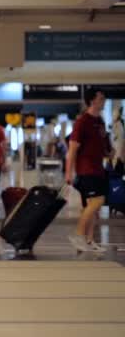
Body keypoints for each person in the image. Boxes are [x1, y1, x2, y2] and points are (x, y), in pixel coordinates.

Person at [66, 89, 113, 252]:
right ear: (93, 101)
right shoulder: (82, 121)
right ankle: (78, 234)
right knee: (97, 201)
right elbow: (72, 149)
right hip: (87, 170)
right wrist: (68, 172)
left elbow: (103, 145)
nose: (104, 100)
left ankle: (89, 240)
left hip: (98, 169)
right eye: (101, 98)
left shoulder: (100, 121)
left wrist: (109, 150)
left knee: (94, 207)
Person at [111, 106, 125, 175]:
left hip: (119, 149)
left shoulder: (120, 124)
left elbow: (118, 136)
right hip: (116, 148)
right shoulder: (117, 124)